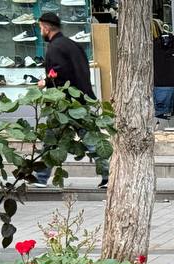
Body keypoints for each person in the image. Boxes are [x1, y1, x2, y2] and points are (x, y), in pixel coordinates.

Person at [33, 11, 107, 188]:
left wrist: (46, 82)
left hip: (64, 103)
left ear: (45, 27)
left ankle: (41, 177)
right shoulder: (73, 44)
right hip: (80, 99)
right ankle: (108, 173)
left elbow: (60, 72)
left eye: (40, 27)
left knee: (52, 140)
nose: (40, 31)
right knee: (90, 139)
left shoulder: (55, 48)